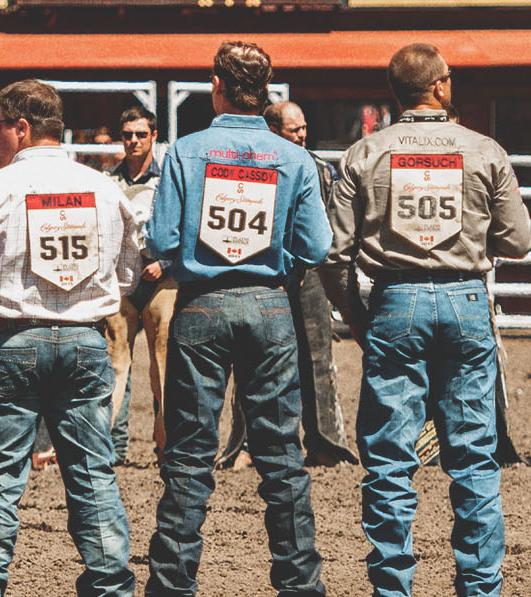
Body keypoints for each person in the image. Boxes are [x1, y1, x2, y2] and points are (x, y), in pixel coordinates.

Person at [322, 43, 531, 596]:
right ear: (439, 86)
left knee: (390, 458)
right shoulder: (484, 150)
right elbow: (519, 238)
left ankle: (393, 588)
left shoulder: (365, 153)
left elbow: (334, 252)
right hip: (464, 300)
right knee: (473, 458)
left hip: (395, 301)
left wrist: (357, 315)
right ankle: (480, 587)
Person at [0, 78, 138, 597]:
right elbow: (127, 271)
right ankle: (111, 585)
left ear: (21, 129)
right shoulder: (102, 188)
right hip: (85, 339)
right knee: (93, 475)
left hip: (9, 341)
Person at [145, 41, 329, 597]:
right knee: (281, 458)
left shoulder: (186, 151)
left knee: (189, 456)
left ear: (215, 85)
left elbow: (161, 238)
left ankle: (172, 584)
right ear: (267, 86)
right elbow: (317, 245)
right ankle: (300, 584)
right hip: (270, 303)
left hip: (202, 304)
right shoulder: (293, 157)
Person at [240, 99, 355, 467]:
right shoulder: (252, 167)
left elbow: (333, 223)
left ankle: (324, 441)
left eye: (304, 128)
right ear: (273, 130)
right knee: (253, 357)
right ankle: (245, 445)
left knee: (317, 356)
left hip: (310, 273)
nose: (303, 135)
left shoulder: (321, 170)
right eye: (295, 129)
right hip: (262, 269)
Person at [101, 105, 170, 465]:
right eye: (128, 135)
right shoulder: (108, 181)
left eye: (141, 134)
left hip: (160, 275)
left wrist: (166, 262)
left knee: (164, 363)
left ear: (153, 136)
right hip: (122, 278)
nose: (133, 141)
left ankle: (165, 445)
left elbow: (183, 223)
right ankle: (113, 448)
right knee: (116, 362)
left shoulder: (169, 179)